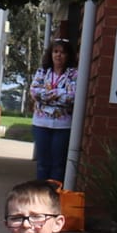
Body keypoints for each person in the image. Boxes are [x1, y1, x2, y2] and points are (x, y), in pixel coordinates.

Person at [28, 38, 78, 185]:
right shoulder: (42, 72)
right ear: (51, 54)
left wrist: (47, 95)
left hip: (63, 126)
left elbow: (72, 97)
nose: (58, 55)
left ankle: (54, 196)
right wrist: (59, 93)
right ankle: (41, 195)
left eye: (62, 52)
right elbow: (34, 92)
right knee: (43, 163)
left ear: (68, 55)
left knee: (58, 164)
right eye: (56, 51)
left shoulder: (73, 74)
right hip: (41, 124)